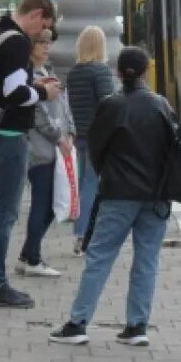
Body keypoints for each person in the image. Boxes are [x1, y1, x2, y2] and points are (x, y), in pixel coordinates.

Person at [50, 47, 171, 347]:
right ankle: (137, 326)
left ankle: (78, 323)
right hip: (155, 195)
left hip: (118, 192)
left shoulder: (111, 105)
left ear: (118, 72)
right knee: (147, 259)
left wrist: (108, 173)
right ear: (145, 72)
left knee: (100, 257)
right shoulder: (161, 105)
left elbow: (97, 147)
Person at [0, 0, 60, 308]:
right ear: (36, 14)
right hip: (9, 136)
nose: (42, 34)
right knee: (3, 213)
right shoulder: (17, 42)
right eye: (44, 26)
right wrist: (44, 91)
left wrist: (36, 87)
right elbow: (13, 92)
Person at [17, 29, 75, 278]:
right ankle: (32, 257)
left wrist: (70, 131)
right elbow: (38, 116)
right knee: (44, 204)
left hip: (55, 150)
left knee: (51, 204)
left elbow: (64, 105)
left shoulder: (48, 72)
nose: (46, 47)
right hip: (39, 150)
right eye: (41, 42)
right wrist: (60, 137)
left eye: (48, 42)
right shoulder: (29, 77)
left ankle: (28, 254)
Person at [66, 25, 117, 255]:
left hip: (80, 136)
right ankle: (84, 234)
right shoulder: (101, 71)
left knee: (84, 182)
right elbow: (108, 105)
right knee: (92, 184)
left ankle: (81, 232)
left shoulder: (74, 72)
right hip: (99, 136)